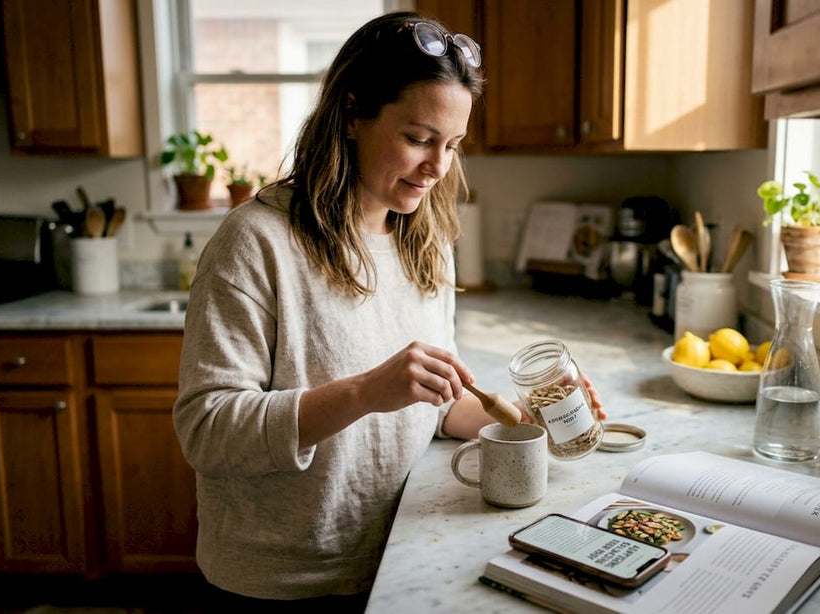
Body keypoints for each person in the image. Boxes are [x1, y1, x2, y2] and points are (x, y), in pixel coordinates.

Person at [172, 11, 604, 612]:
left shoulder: (424, 241)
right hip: (281, 579)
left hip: (396, 553)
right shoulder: (256, 242)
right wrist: (364, 392)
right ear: (352, 113)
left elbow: (434, 400)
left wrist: (527, 416)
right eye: (419, 139)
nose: (437, 167)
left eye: (452, 145)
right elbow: (207, 429)